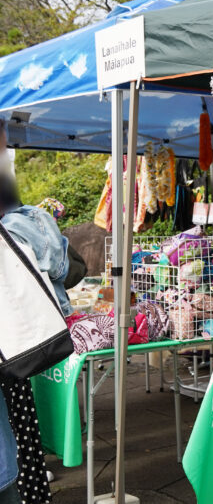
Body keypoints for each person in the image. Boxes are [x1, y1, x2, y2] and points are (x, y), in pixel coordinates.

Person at [0, 171, 64, 504]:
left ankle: (31, 489)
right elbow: (64, 267)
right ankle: (34, 490)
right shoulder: (25, 221)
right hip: (13, 348)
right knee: (20, 430)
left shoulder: (15, 224)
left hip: (11, 350)